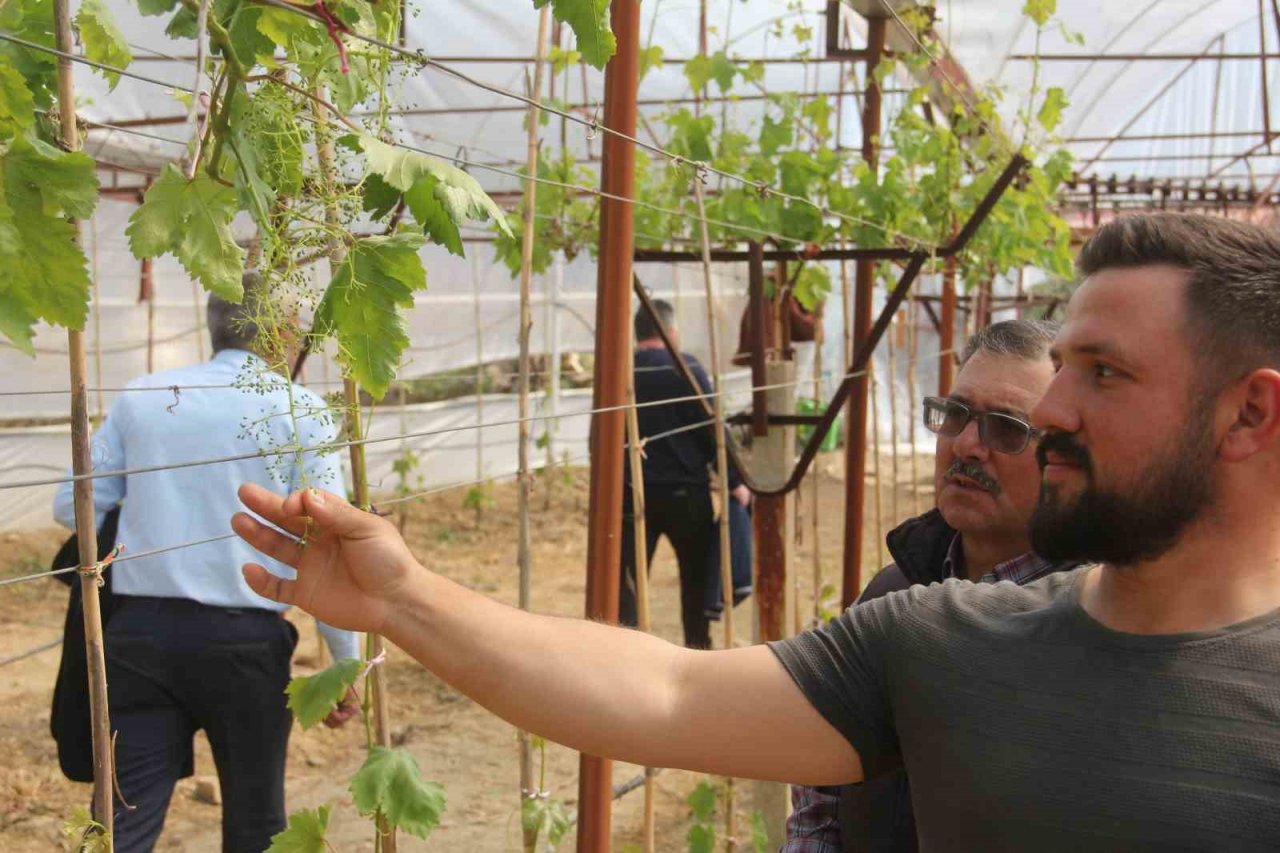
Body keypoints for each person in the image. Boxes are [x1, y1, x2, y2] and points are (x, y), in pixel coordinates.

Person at [232, 213, 1280, 850]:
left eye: (1102, 373)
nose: (1047, 412)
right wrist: (406, 598)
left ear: (1248, 413)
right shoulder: (939, 638)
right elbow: (665, 690)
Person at [54, 274, 362, 853]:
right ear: (285, 333)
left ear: (211, 324)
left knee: (122, 826)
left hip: (137, 640)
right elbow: (326, 544)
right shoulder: (300, 411)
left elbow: (71, 505)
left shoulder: (144, 394)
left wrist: (154, 515)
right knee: (256, 824)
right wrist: (345, 667)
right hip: (244, 647)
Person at [785, 319, 1079, 853]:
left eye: (1008, 428)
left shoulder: (1097, 625)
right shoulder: (891, 592)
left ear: (1066, 457)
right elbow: (819, 793)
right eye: (957, 415)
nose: (967, 445)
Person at [621, 298, 750, 648]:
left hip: (631, 493)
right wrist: (735, 481)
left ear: (637, 333)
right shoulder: (685, 367)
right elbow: (712, 430)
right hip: (685, 496)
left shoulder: (619, 369)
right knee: (694, 578)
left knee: (628, 582)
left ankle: (623, 650)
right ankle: (697, 646)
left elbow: (598, 437)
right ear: (672, 332)